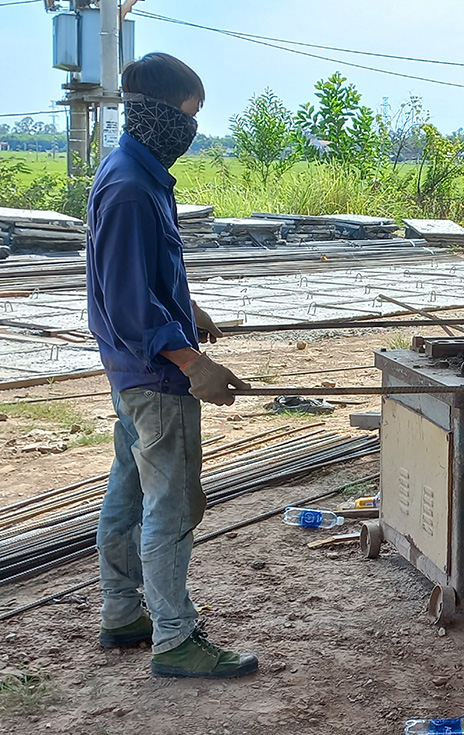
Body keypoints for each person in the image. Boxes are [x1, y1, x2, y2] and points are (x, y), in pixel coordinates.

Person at [87, 52, 257, 679]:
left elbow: (142, 274)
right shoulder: (131, 187)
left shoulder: (139, 171)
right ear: (160, 113)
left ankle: (121, 612)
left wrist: (190, 306)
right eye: (189, 115)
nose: (192, 128)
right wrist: (194, 362)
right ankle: (176, 639)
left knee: (127, 494)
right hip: (155, 376)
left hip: (132, 371)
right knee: (173, 505)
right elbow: (130, 305)